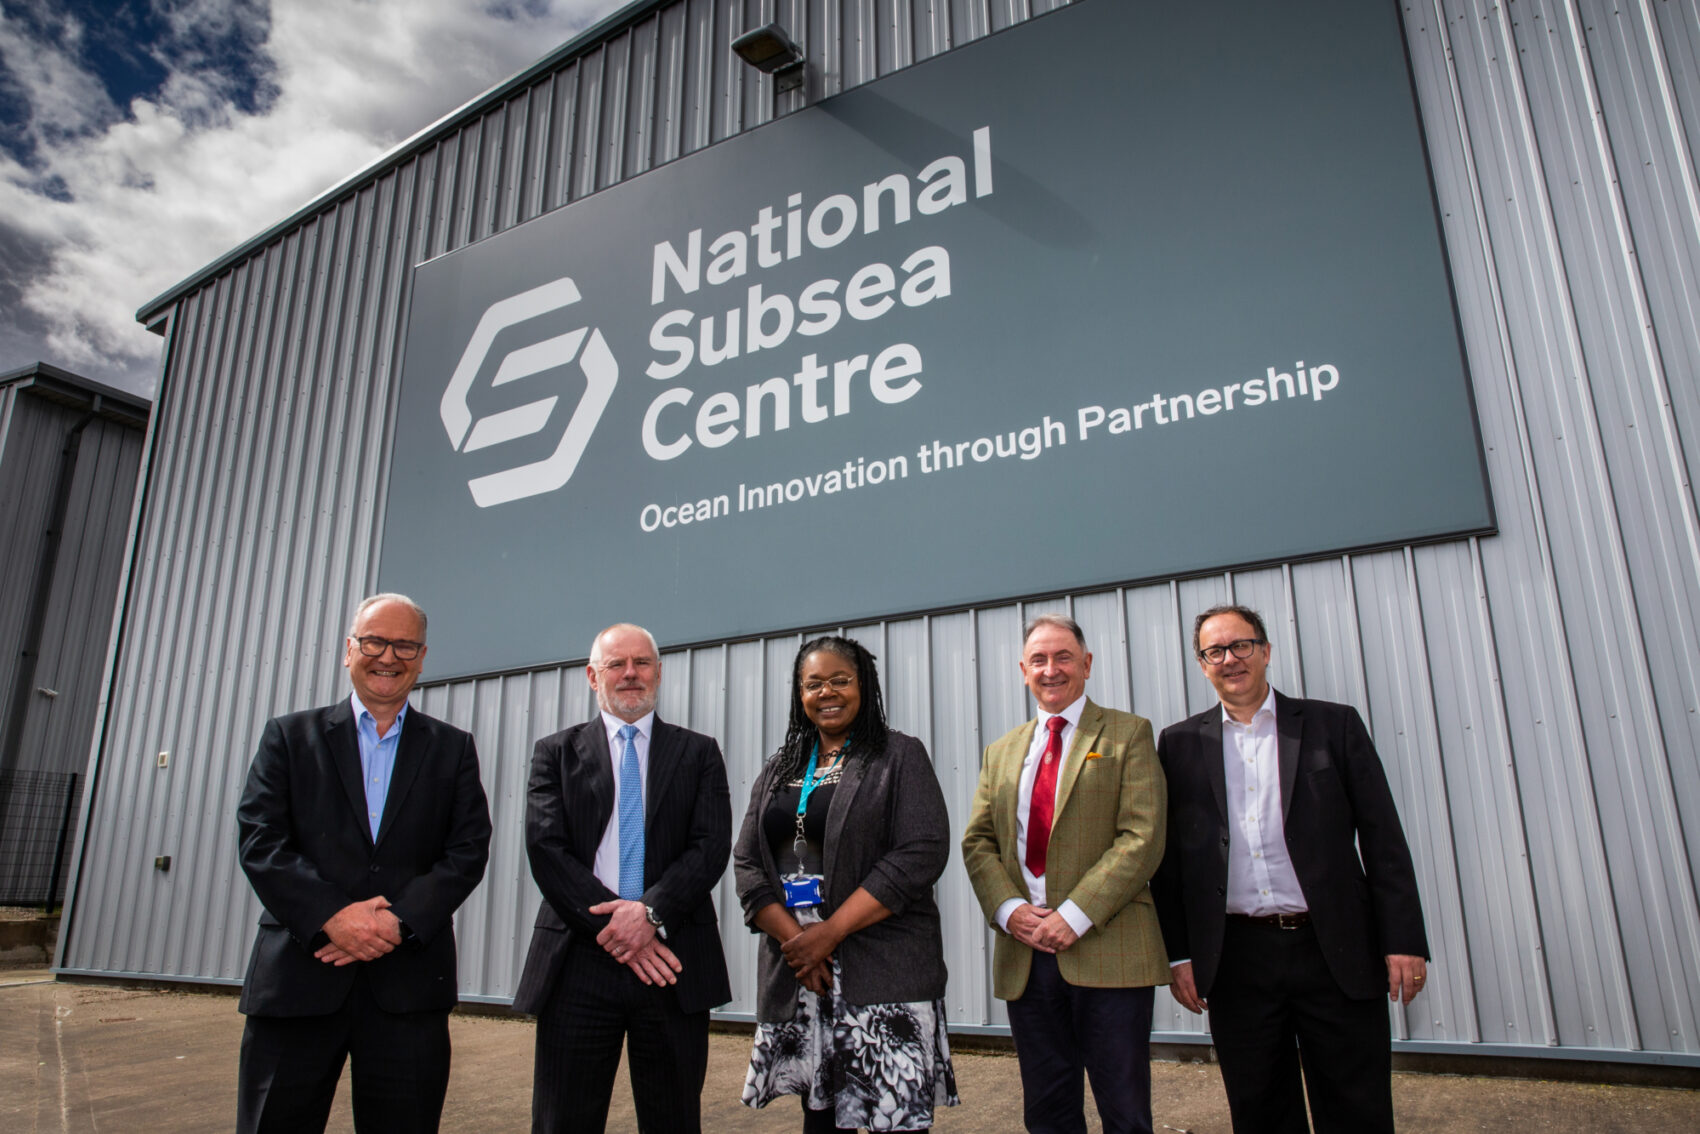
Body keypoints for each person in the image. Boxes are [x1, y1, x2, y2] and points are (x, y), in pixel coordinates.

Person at [1152, 603, 1429, 1134]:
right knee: (1260, 1110)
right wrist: (1180, 954)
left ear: (1266, 651)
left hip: (1336, 951)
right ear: (1202, 663)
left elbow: (1383, 839)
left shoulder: (1333, 724)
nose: (1230, 659)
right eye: (1215, 651)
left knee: (1357, 1108)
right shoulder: (1180, 744)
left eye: (1242, 645)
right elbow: (1171, 864)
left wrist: (1404, 939)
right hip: (1236, 960)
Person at [235, 593, 492, 1134]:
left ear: (422, 658)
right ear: (349, 649)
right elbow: (261, 840)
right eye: (375, 642)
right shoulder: (288, 737)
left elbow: (467, 850)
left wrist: (396, 923)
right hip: (300, 979)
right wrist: (334, 916)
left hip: (408, 989)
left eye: (404, 645)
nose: (388, 657)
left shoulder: (452, 748)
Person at [734, 635, 960, 1133]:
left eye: (841, 680)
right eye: (813, 683)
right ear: (799, 693)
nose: (827, 692)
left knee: (895, 1121)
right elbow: (747, 864)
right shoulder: (781, 768)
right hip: (803, 974)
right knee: (821, 1122)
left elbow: (919, 854)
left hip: (884, 974)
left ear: (865, 686)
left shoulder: (899, 755)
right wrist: (800, 944)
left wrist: (829, 934)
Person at [513, 622, 732, 1134]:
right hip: (579, 959)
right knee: (562, 1120)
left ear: (659, 672)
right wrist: (619, 927)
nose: (631, 674)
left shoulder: (698, 752)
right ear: (593, 676)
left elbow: (710, 846)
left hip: (671, 960)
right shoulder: (555, 752)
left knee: (673, 1119)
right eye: (617, 664)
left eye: (642, 663)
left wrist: (649, 914)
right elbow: (546, 849)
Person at [961, 614, 1168, 1134]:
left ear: (1087, 664)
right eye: (1038, 660)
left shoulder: (1129, 734)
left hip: (1108, 949)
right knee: (1048, 1112)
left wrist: (1074, 915)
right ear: (1023, 671)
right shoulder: (1002, 751)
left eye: (1063, 657)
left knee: (1124, 1111)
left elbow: (1141, 838)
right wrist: (1010, 912)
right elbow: (979, 842)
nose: (1050, 670)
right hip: (1027, 955)